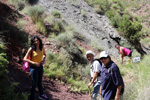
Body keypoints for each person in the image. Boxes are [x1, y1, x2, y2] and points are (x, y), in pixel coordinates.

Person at [23, 36, 49, 100]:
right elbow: (25, 58)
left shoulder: (42, 47)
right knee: (34, 84)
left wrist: (43, 60)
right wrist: (34, 63)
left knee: (39, 82)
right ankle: (31, 98)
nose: (36, 42)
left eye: (37, 40)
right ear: (33, 42)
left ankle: (41, 95)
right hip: (33, 68)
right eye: (34, 41)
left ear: (39, 40)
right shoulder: (31, 49)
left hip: (40, 67)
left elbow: (45, 54)